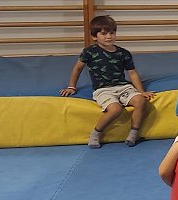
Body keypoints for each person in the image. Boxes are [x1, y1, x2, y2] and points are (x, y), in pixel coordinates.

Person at [60, 14, 150, 147]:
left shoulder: (123, 53)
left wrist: (140, 91)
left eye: (112, 33)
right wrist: (71, 87)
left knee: (140, 101)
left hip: (123, 87)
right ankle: (96, 133)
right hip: (103, 89)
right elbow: (77, 69)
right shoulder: (89, 52)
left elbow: (132, 72)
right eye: (104, 34)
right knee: (115, 109)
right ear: (94, 36)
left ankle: (134, 132)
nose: (109, 37)